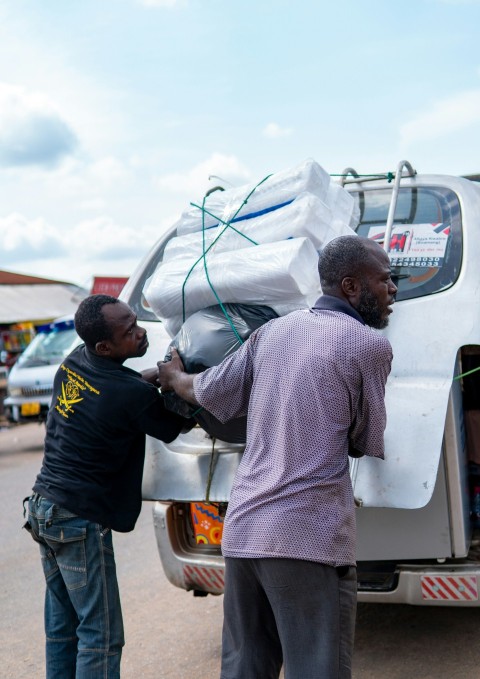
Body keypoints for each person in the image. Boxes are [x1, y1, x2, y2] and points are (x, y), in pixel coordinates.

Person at [158, 235, 397, 679]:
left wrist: (172, 377)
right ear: (350, 285)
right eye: (386, 280)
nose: (394, 289)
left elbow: (205, 391)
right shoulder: (368, 345)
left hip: (245, 530)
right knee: (316, 669)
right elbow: (365, 441)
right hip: (306, 537)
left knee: (247, 668)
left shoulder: (272, 332)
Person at [24, 294, 186, 679]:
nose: (141, 331)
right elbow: (173, 424)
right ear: (105, 346)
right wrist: (179, 379)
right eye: (129, 331)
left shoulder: (73, 364)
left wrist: (155, 378)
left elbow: (120, 386)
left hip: (45, 509)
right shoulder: (130, 395)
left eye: (135, 321)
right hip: (78, 519)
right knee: (101, 636)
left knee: (63, 631)